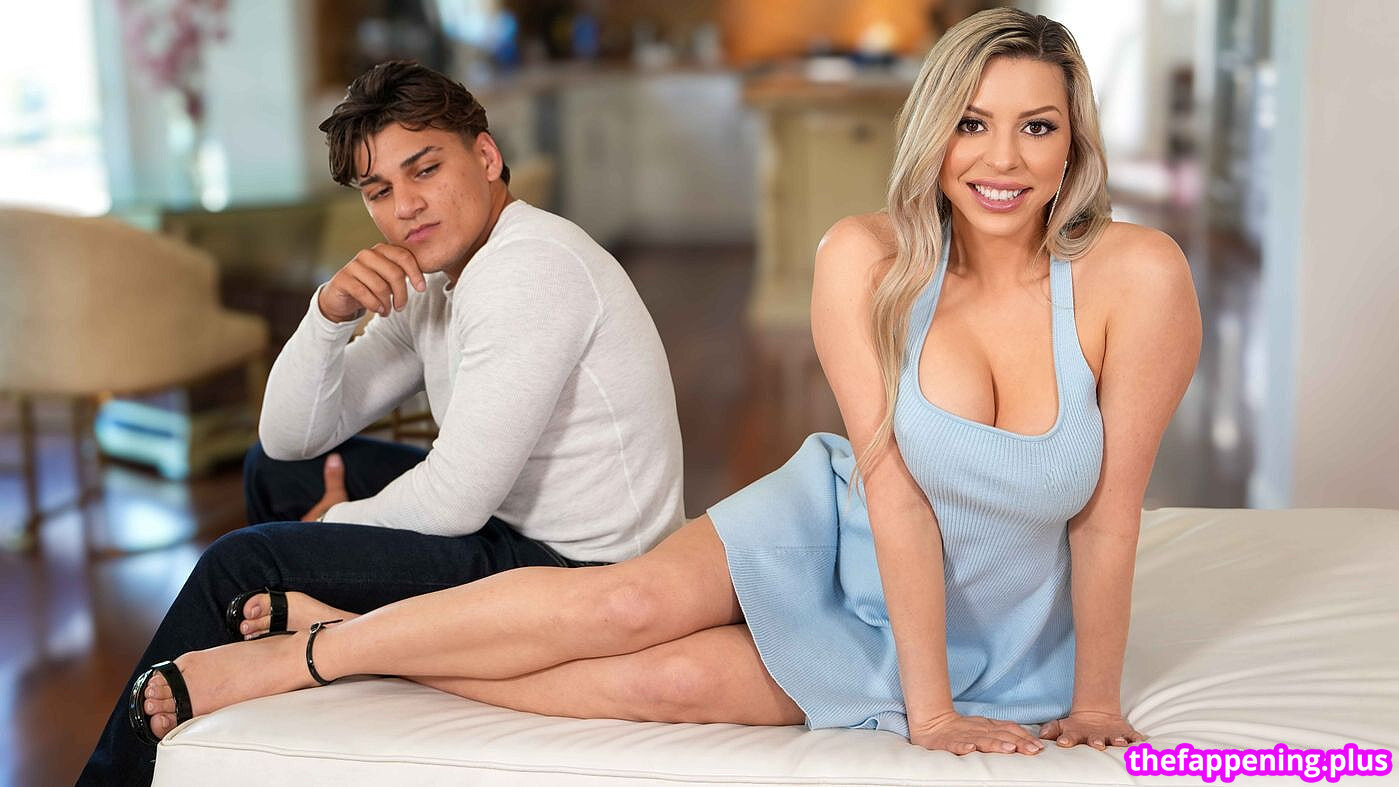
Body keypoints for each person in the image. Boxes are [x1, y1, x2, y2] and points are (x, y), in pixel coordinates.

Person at [129, 7, 1202, 761]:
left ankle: (336, 631)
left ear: (1073, 140)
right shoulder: (866, 257)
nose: (1001, 159)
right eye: (971, 122)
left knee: (663, 683)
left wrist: (1094, 699)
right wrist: (929, 716)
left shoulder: (1138, 278)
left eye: (1036, 125)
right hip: (840, 524)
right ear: (933, 131)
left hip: (994, 640)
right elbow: (894, 492)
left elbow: (1108, 517)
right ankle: (304, 657)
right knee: (628, 603)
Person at [79, 61, 685, 785]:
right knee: (279, 473)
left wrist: (328, 529)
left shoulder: (529, 267)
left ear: (486, 156)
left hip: (577, 576)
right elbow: (289, 438)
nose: (407, 207)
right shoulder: (436, 278)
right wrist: (328, 314)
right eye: (379, 190)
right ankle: (302, 675)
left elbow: (456, 501)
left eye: (425, 169)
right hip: (512, 530)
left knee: (244, 564)